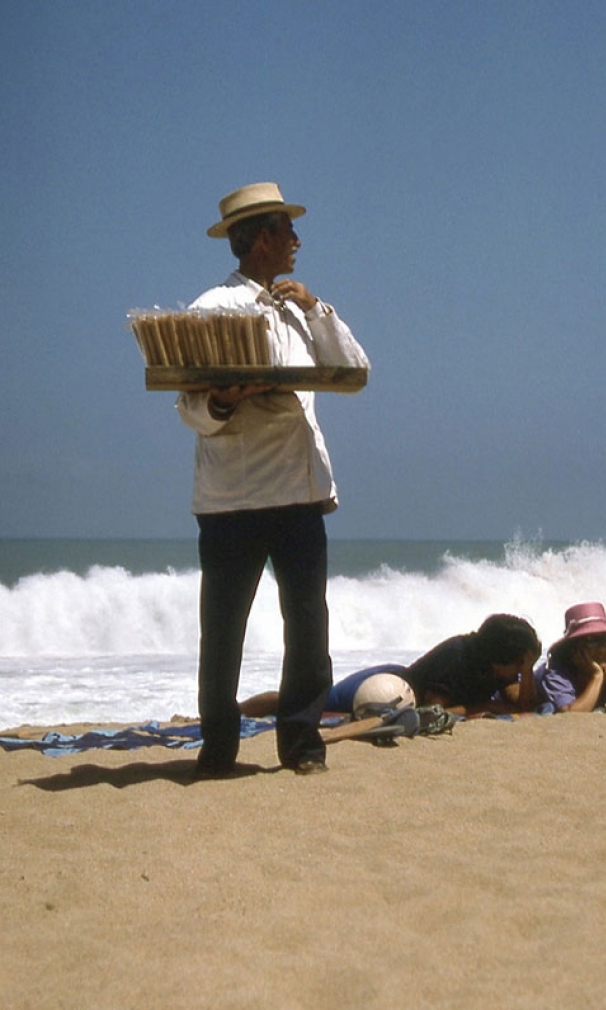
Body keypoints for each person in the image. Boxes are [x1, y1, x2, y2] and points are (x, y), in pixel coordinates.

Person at [176, 182, 370, 777]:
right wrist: (226, 401)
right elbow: (189, 407)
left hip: (299, 492)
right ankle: (218, 748)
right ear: (262, 238)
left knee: (308, 626)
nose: (297, 242)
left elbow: (355, 368)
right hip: (232, 498)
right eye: (287, 232)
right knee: (224, 631)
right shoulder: (210, 308)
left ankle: (303, 744)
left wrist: (316, 308)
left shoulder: (298, 308)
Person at [239, 614, 542, 719]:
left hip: (398, 698)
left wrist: (526, 672)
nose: (520, 670)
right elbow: (436, 709)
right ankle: (235, 711)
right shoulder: (458, 656)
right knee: (303, 701)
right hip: (389, 684)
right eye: (519, 662)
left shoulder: (500, 670)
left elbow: (522, 705)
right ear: (498, 655)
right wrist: (485, 707)